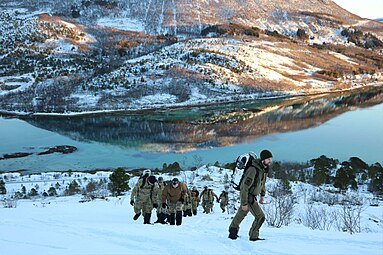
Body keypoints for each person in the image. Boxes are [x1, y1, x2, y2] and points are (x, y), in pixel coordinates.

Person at [228, 149, 273, 241]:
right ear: (263, 159)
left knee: (241, 215)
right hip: (248, 197)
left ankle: (232, 233)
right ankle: (253, 236)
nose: (270, 161)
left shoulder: (263, 170)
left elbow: (262, 183)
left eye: (271, 159)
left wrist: (262, 195)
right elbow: (244, 187)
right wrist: (244, 203)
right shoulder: (253, 170)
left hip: (253, 196)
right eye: (268, 159)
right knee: (260, 217)